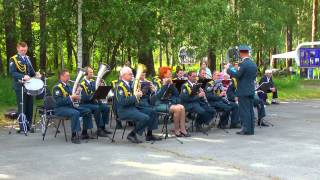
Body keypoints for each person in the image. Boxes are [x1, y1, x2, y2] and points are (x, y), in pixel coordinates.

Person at [115, 67, 160, 143]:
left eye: (132, 73)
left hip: (133, 107)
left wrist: (141, 93)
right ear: (123, 76)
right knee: (145, 118)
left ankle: (149, 135)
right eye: (130, 74)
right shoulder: (120, 86)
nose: (132, 75)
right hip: (124, 110)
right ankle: (132, 134)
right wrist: (136, 96)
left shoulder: (130, 84)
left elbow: (136, 98)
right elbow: (122, 102)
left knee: (152, 112)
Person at [52, 69, 94, 144]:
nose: (69, 77)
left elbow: (73, 95)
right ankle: (74, 135)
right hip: (60, 109)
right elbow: (59, 101)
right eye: (67, 76)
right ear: (61, 76)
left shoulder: (68, 86)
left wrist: (78, 92)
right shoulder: (57, 87)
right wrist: (72, 97)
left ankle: (84, 132)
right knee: (75, 113)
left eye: (69, 76)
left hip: (69, 107)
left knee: (87, 111)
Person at [227, 45, 257, 135]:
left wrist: (228, 69)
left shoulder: (243, 64)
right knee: (250, 110)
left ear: (241, 53)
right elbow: (251, 76)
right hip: (251, 89)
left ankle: (246, 129)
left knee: (244, 110)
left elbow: (237, 75)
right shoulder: (253, 64)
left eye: (239, 53)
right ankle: (251, 129)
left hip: (243, 90)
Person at [9, 42, 37, 133]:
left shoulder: (28, 58)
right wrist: (22, 76)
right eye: (22, 50)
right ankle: (22, 127)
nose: (23, 51)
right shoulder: (13, 59)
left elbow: (32, 72)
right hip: (20, 86)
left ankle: (28, 125)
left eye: (25, 50)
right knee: (22, 106)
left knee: (29, 105)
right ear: (18, 49)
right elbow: (12, 72)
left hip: (29, 86)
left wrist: (37, 75)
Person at [154, 67, 190, 137]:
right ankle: (176, 130)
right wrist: (164, 86)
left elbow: (176, 94)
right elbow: (157, 97)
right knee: (177, 108)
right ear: (164, 74)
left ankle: (182, 129)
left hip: (169, 103)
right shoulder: (157, 83)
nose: (171, 75)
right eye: (169, 74)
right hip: (159, 104)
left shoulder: (170, 82)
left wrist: (172, 85)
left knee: (182, 107)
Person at [80, 66, 111, 137]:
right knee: (97, 108)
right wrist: (95, 94)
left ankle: (103, 127)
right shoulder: (82, 84)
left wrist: (101, 88)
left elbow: (97, 93)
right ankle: (99, 129)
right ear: (86, 73)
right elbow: (84, 98)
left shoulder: (92, 82)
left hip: (93, 102)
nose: (92, 74)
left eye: (92, 72)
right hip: (85, 104)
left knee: (106, 108)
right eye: (91, 72)